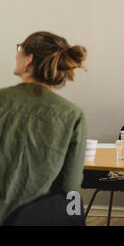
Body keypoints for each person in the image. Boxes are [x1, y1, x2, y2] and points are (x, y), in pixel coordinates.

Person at [0, 31, 88, 224]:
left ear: (29, 60)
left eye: (19, 50)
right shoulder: (72, 115)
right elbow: (70, 188)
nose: (16, 55)